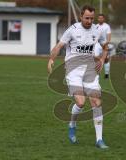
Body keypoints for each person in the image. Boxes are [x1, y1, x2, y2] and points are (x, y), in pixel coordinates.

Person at [47, 5, 109, 149]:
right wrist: (51, 59)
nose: (89, 21)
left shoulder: (98, 30)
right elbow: (58, 46)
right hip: (73, 70)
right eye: (87, 18)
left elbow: (106, 46)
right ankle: (72, 124)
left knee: (96, 102)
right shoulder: (72, 30)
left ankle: (99, 140)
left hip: (90, 70)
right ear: (81, 16)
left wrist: (101, 59)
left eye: (91, 18)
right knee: (81, 103)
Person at [94, 14, 112, 79]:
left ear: (103, 19)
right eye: (99, 18)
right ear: (98, 19)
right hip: (97, 45)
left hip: (105, 44)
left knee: (106, 60)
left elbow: (109, 38)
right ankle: (97, 73)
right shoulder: (96, 26)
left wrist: (106, 44)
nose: (100, 19)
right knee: (96, 58)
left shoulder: (107, 26)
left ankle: (106, 74)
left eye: (101, 18)